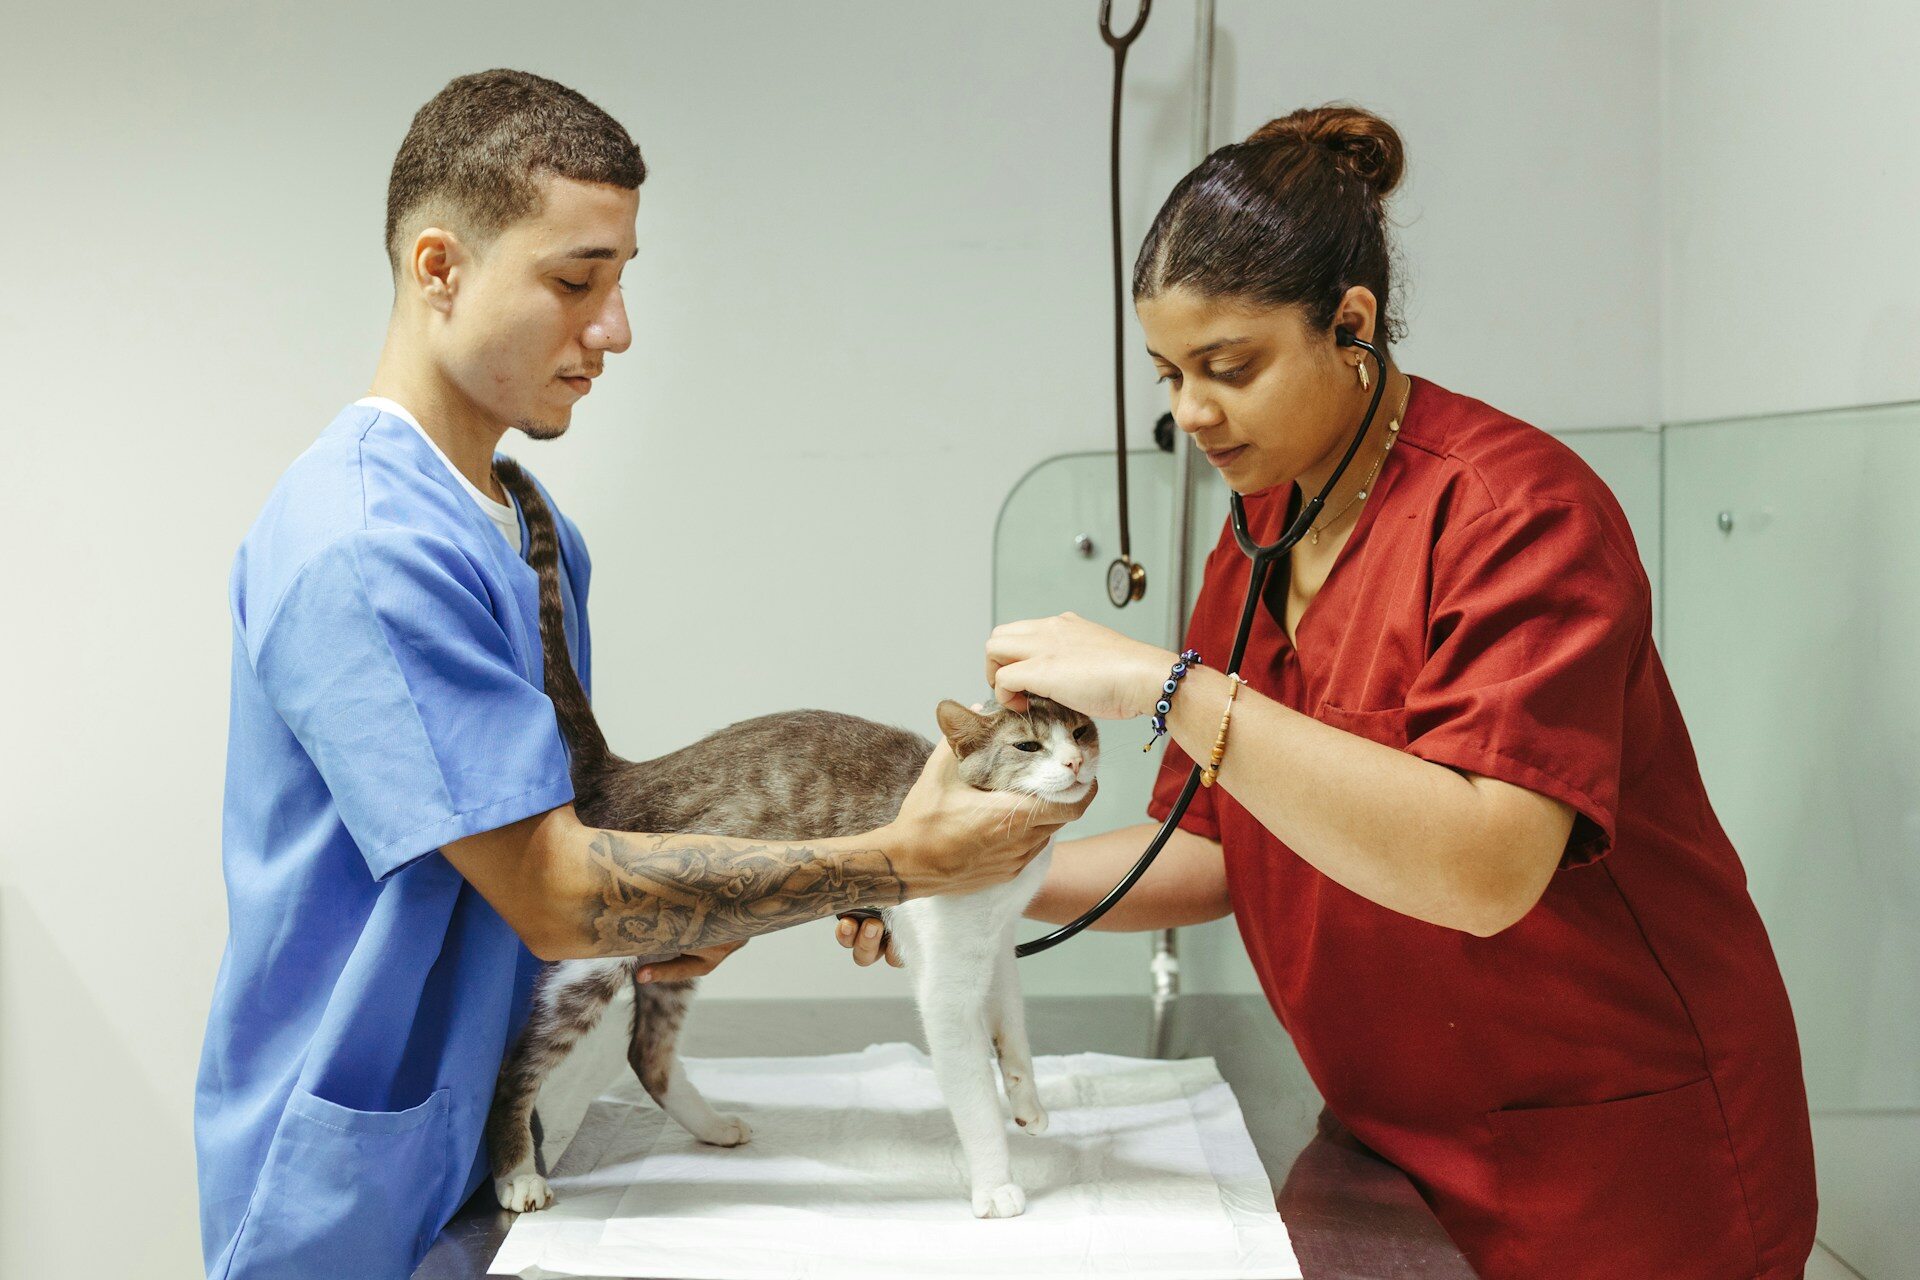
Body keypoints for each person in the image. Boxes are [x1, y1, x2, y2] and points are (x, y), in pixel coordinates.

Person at [841, 105, 1816, 1280]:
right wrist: (958, 877)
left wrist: (1167, 684)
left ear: (1350, 323)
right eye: (1170, 373)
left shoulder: (1518, 519)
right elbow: (1209, 847)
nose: (1192, 412)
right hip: (1387, 1135)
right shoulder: (1262, 532)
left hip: (1612, 1154)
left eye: (1229, 367)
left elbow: (1486, 866)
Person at [195, 69, 1090, 1280]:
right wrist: (895, 861)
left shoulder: (524, 521)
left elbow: (581, 818)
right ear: (439, 267)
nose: (613, 328)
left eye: (620, 281)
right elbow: (560, 892)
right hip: (357, 1192)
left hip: (479, 1143)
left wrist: (720, 897)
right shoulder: (368, 549)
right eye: (575, 281)